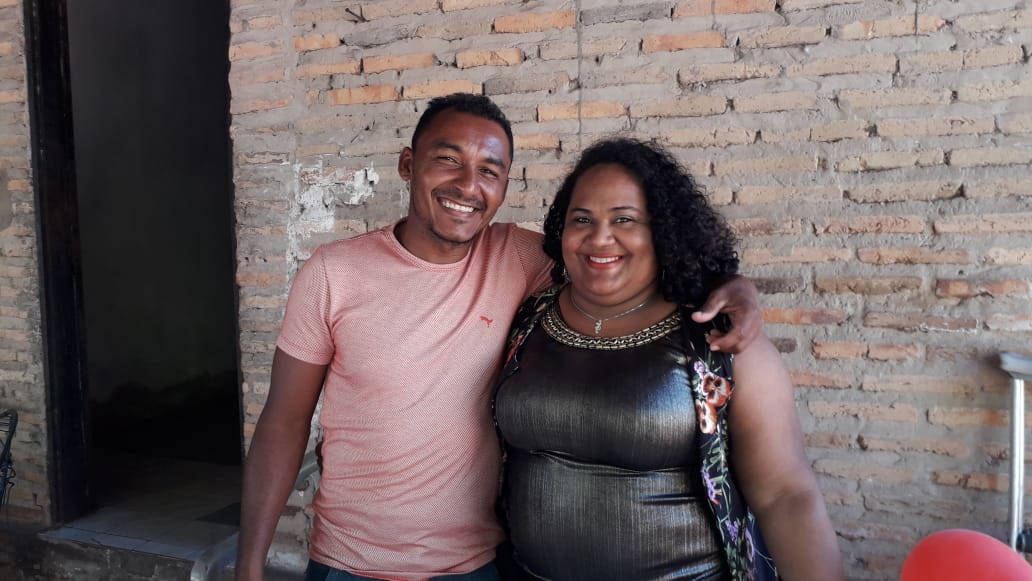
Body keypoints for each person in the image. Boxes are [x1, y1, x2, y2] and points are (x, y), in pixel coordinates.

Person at [235, 95, 765, 581]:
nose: (469, 185)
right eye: (448, 159)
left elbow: (622, 264)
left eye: (490, 170)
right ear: (408, 164)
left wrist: (730, 284)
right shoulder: (333, 274)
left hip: (476, 565)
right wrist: (250, 564)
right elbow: (283, 422)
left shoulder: (518, 257)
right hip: (350, 563)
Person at [494, 138, 843, 580]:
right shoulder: (528, 318)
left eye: (624, 219)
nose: (599, 237)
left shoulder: (717, 340)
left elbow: (786, 496)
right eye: (582, 219)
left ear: (663, 231)